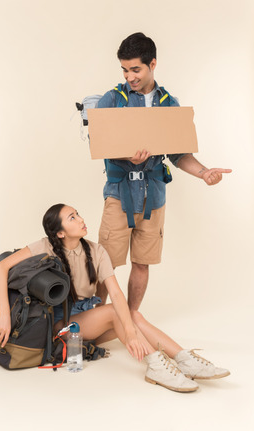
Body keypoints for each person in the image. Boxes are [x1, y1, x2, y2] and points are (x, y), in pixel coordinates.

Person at [0, 203, 230, 393]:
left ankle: (184, 359)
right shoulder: (45, 246)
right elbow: (1, 268)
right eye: (72, 218)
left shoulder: (96, 250)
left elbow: (115, 293)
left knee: (132, 314)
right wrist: (3, 314)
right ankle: (155, 364)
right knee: (113, 313)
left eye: (78, 213)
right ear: (60, 232)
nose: (81, 219)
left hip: (85, 323)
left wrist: (129, 329)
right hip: (59, 325)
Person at [96, 32, 232, 311]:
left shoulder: (169, 103)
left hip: (153, 196)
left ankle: (132, 319)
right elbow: (100, 144)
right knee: (104, 265)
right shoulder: (112, 99)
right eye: (124, 69)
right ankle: (93, 325)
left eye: (136, 69)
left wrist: (204, 173)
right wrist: (127, 155)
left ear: (152, 64)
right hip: (119, 195)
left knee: (142, 263)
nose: (129, 76)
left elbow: (179, 153)